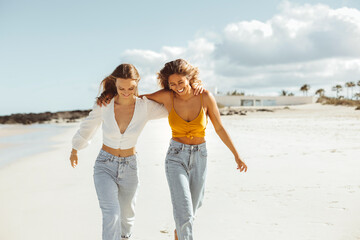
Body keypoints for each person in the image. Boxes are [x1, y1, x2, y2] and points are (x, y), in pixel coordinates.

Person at [70, 63, 202, 240]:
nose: (126, 92)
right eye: (121, 88)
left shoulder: (145, 106)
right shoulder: (105, 104)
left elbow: (174, 102)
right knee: (111, 214)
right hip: (104, 165)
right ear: (114, 84)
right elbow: (88, 126)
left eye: (131, 88)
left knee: (126, 218)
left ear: (137, 84)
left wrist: (193, 88)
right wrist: (75, 148)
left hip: (130, 167)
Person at [141, 59, 248, 240]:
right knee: (184, 211)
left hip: (200, 156)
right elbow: (138, 98)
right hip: (176, 157)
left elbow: (220, 128)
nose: (177, 87)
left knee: (194, 206)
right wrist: (110, 96)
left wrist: (236, 155)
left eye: (181, 82)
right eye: (172, 84)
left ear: (189, 78)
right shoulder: (168, 97)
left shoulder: (205, 97)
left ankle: (179, 233)